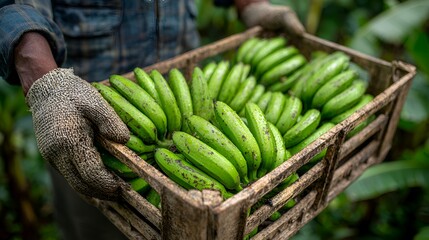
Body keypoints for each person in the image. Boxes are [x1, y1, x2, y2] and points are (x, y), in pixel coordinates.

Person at [0, 0, 304, 239]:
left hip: (183, 90)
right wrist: (46, 83)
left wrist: (250, 4)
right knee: (100, 222)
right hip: (82, 112)